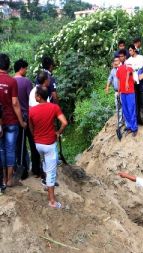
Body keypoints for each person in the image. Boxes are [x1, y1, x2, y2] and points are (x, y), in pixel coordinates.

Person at [29, 86, 68, 208]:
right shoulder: (54, 107)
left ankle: (46, 184)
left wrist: (35, 135)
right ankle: (52, 201)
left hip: (38, 144)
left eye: (36, 94)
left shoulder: (32, 111)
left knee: (45, 161)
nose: (35, 96)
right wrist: (58, 132)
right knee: (51, 171)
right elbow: (64, 122)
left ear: (39, 97)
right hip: (50, 144)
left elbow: (31, 127)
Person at [0, 53, 27, 189]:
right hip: (11, 121)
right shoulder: (12, 81)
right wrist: (21, 122)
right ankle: (10, 180)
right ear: (8, 66)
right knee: (10, 150)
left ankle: (3, 179)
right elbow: (15, 103)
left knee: (1, 150)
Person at [14, 59, 42, 180]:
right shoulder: (26, 82)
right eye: (26, 68)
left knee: (20, 146)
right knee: (33, 143)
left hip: (16, 118)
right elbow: (32, 100)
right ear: (21, 68)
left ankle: (23, 172)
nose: (27, 70)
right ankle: (36, 169)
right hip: (28, 116)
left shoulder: (11, 81)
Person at [116, 50, 138, 137]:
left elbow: (129, 72)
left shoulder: (128, 63)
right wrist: (118, 91)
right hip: (123, 92)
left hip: (130, 91)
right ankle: (128, 126)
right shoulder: (119, 67)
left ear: (125, 56)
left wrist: (126, 82)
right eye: (119, 56)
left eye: (122, 56)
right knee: (125, 110)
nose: (121, 58)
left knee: (131, 109)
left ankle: (134, 128)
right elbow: (118, 79)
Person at [105, 57, 123, 127]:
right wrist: (107, 87)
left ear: (120, 61)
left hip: (123, 92)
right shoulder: (112, 70)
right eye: (114, 61)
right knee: (118, 107)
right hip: (116, 92)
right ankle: (120, 122)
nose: (115, 62)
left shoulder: (122, 68)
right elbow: (109, 78)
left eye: (117, 60)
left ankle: (126, 122)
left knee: (124, 106)